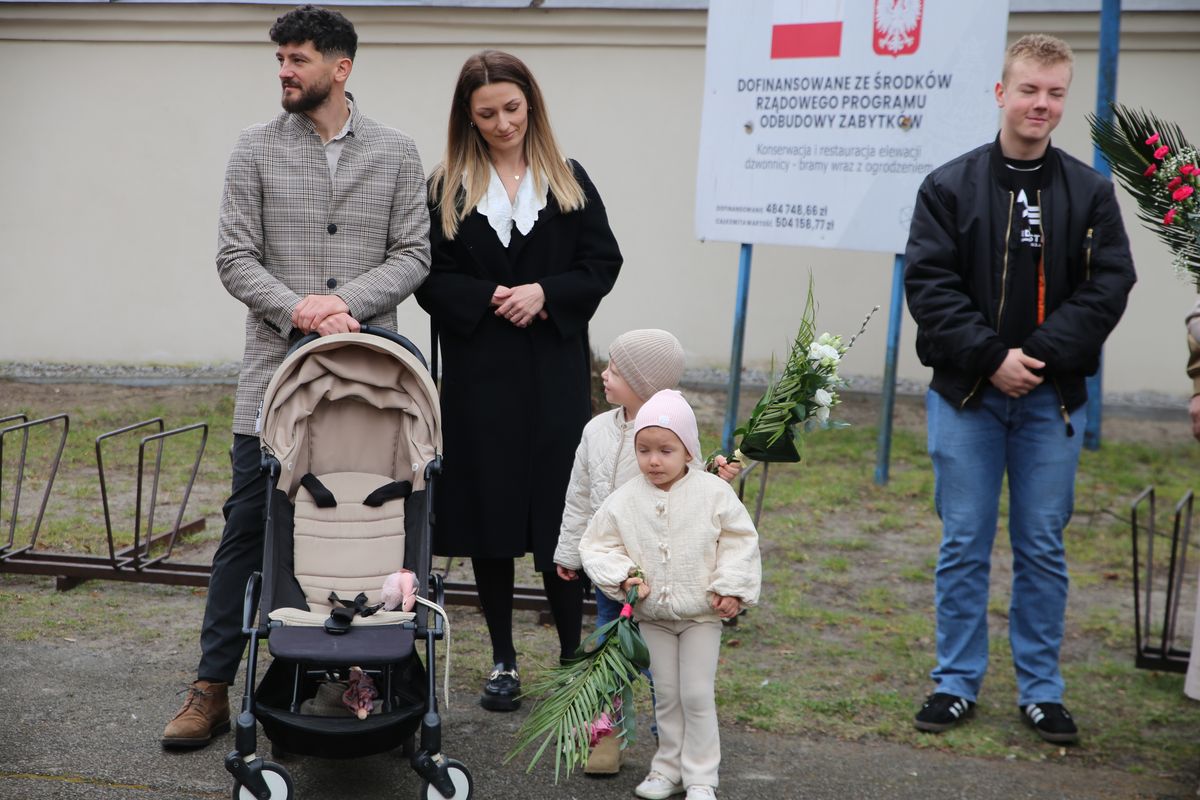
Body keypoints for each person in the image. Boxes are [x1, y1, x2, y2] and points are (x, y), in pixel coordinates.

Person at [161, 5, 430, 748]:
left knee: (375, 523)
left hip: (370, 387)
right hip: (271, 381)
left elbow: (413, 253)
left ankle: (379, 672)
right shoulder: (253, 149)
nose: (284, 70)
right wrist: (301, 310)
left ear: (341, 68)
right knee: (247, 527)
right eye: (279, 58)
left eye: (298, 58)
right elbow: (234, 257)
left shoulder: (397, 151)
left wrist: (346, 305)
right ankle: (212, 686)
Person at [903, 33, 1135, 744]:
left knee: (1041, 547)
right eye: (1029, 89)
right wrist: (989, 358)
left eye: (1056, 92)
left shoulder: (1090, 192)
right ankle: (954, 683)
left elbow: (1109, 286)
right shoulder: (948, 188)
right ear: (1001, 92)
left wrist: (1033, 356)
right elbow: (930, 286)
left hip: (1049, 401)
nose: (1042, 104)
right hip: (966, 399)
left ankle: (1041, 690)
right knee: (964, 544)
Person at [415, 50, 622, 712]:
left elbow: (602, 262)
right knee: (490, 515)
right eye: (487, 114)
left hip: (553, 375)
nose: (503, 123)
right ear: (467, 118)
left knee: (561, 514)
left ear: (531, 105)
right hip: (480, 377)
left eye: (512, 108)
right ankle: (503, 658)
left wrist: (545, 293)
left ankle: (570, 656)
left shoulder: (568, 179)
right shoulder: (447, 186)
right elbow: (428, 275)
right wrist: (486, 298)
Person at [553, 328, 739, 774]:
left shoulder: (673, 431)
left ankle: (669, 739)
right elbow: (579, 496)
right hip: (615, 575)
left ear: (644, 384)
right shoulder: (596, 430)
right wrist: (570, 552)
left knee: (663, 667)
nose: (604, 374)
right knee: (609, 657)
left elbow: (695, 492)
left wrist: (717, 475)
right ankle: (607, 737)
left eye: (616, 371)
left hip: (663, 580)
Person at [580, 389, 760, 800]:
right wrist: (625, 576)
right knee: (666, 695)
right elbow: (597, 545)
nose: (654, 461)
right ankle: (667, 769)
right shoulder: (625, 499)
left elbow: (739, 540)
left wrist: (730, 588)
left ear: (689, 450)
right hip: (653, 618)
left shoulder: (713, 493)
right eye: (644, 450)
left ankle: (701, 777)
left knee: (696, 694)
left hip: (701, 615)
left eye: (666, 450)